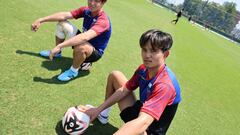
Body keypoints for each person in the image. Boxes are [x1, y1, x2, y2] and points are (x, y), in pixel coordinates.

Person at [80, 29, 181, 135]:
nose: (147, 55)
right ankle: (103, 115)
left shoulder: (165, 85)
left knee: (138, 125)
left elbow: (143, 122)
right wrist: (98, 110)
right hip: (141, 112)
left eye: (153, 51)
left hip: (149, 129)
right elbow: (124, 90)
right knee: (115, 76)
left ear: (165, 54)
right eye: (144, 50)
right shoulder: (143, 69)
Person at [31, 0, 111, 81]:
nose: (92, 3)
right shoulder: (86, 10)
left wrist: (60, 45)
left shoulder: (103, 20)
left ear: (103, 3)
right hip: (84, 42)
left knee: (81, 46)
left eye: (96, 1)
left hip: (94, 52)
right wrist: (41, 20)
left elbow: (85, 37)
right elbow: (64, 15)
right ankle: (58, 53)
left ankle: (73, 71)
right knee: (62, 23)